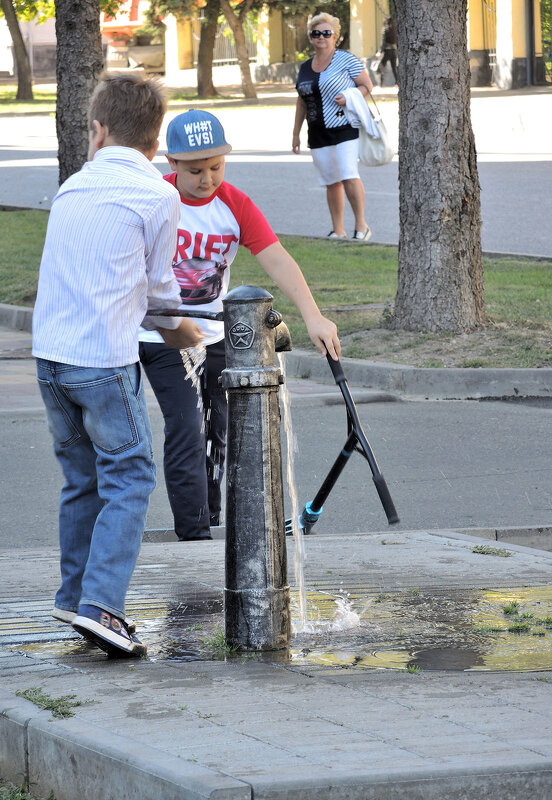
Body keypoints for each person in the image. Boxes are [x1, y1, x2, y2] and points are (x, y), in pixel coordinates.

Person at [32, 74, 202, 659]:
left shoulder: (74, 187)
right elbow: (159, 296)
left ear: (98, 131)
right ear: (155, 145)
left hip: (50, 358)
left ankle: (75, 595)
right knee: (128, 477)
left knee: (81, 479)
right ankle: (103, 608)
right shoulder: (159, 195)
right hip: (103, 360)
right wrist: (187, 334)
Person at [138, 109, 341, 543]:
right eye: (195, 170)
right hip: (161, 334)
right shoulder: (154, 199)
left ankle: (210, 518)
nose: (207, 178)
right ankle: (193, 539)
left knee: (219, 431)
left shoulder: (235, 204)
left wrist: (313, 315)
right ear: (172, 164)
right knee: (187, 427)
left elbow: (276, 258)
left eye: (216, 167)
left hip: (216, 336)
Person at [292, 13, 373, 242]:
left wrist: (350, 97)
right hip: (317, 131)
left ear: (335, 36)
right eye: (316, 33)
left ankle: (361, 226)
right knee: (331, 181)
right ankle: (338, 230)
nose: (321, 37)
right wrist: (295, 134)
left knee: (348, 174)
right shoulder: (305, 67)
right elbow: (301, 101)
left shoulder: (346, 60)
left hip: (344, 126)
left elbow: (367, 86)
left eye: (326, 33)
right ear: (311, 37)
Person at [378, 17, 399, 88]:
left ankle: (381, 83)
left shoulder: (385, 30)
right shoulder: (394, 29)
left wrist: (380, 51)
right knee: (394, 68)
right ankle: (397, 83)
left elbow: (383, 42)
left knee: (381, 66)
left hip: (387, 51)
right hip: (394, 51)